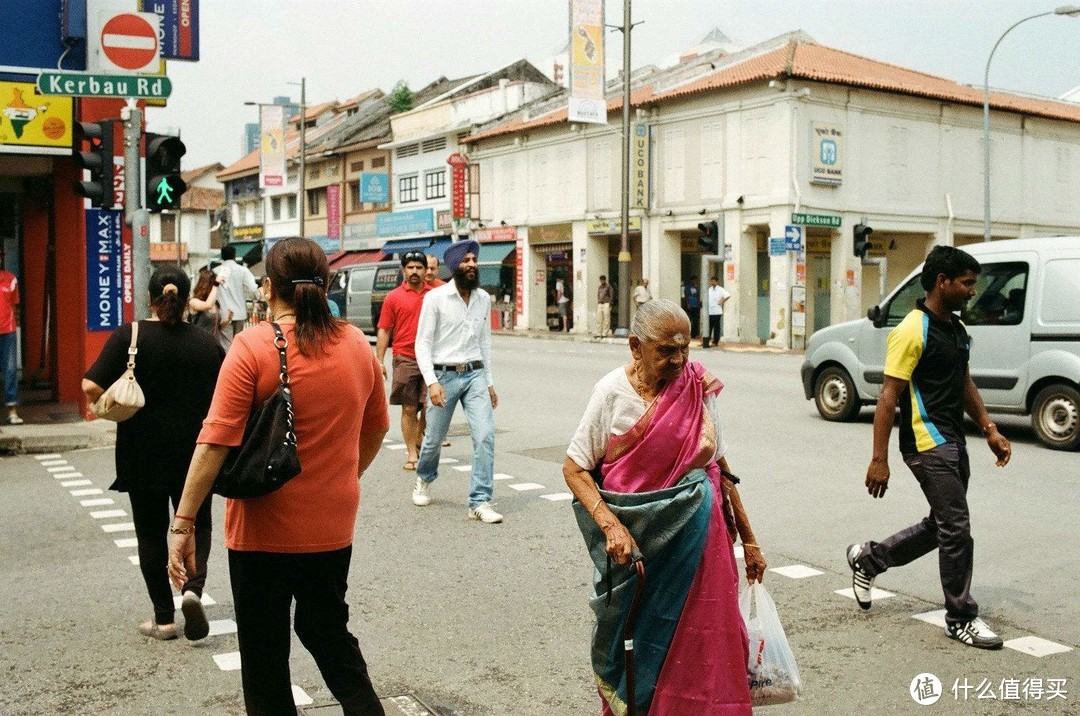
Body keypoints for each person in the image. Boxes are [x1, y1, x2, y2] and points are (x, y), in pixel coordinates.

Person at [168, 237, 389, 714]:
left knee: (265, 659)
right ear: (325, 285)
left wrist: (183, 523)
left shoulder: (252, 347)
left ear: (268, 288)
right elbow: (376, 427)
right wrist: (342, 478)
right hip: (332, 527)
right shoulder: (355, 344)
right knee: (329, 633)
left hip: (261, 532)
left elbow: (213, 443)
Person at [563, 299, 765, 715]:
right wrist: (611, 527)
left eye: (685, 348)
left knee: (708, 640)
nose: (679, 360)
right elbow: (574, 468)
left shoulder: (697, 386)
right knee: (642, 640)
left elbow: (720, 468)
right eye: (666, 351)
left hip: (702, 545)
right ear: (635, 347)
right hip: (639, 545)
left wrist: (750, 541)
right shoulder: (612, 393)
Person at [848, 245, 1012, 650]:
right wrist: (878, 459)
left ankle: (869, 559)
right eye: (967, 283)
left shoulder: (956, 331)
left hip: (954, 440)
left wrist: (989, 429)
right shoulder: (911, 329)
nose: (973, 291)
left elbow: (964, 383)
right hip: (925, 443)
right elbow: (888, 397)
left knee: (941, 525)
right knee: (957, 527)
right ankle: (960, 617)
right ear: (943, 282)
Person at [83, 266, 223, 642]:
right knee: (197, 522)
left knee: (149, 532)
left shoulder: (130, 336)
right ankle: (193, 589)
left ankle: (164, 619)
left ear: (149, 296)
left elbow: (89, 385)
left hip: (140, 451)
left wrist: (115, 404)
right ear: (188, 295)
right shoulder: (206, 342)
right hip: (195, 452)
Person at [413, 239, 502, 523]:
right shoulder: (435, 299)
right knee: (433, 440)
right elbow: (422, 343)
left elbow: (484, 342)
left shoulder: (483, 299)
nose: (472, 265)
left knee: (485, 435)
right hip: (444, 375)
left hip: (475, 373)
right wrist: (431, 382)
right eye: (466, 261)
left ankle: (480, 501)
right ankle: (423, 479)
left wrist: (489, 382)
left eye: (474, 260)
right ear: (454, 266)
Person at [376, 250, 431, 471]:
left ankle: (419, 436)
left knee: (430, 406)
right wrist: (379, 360)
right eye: (410, 267)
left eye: (419, 267)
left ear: (426, 270)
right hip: (405, 358)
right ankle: (411, 453)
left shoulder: (435, 294)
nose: (415, 271)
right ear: (403, 270)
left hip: (433, 359)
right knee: (409, 408)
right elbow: (384, 330)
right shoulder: (393, 297)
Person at [214, 245, 259, 351]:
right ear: (234, 256)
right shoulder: (243, 270)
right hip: (240, 313)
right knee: (239, 344)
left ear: (222, 256)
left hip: (223, 313)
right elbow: (253, 289)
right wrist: (256, 298)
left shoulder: (215, 271)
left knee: (226, 345)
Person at [0, 255, 22, 425]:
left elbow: (15, 305)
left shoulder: (11, 279)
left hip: (7, 329)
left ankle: (12, 411)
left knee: (10, 371)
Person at [188, 268, 226, 347]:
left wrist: (228, 320)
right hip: (199, 345)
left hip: (215, 345)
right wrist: (216, 284)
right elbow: (207, 305)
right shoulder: (193, 302)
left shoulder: (216, 304)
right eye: (212, 285)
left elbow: (218, 328)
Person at [703, 276, 731, 348]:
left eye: (714, 281)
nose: (712, 282)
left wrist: (722, 301)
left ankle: (715, 341)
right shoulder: (709, 290)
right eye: (711, 281)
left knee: (716, 327)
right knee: (708, 327)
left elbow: (728, 295)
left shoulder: (720, 289)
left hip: (717, 311)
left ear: (717, 282)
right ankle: (706, 341)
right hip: (710, 311)